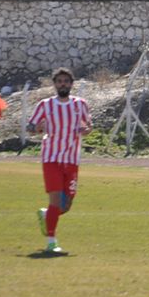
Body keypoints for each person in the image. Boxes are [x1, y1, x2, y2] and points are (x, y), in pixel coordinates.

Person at [29, 68, 92, 254]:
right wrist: (37, 128)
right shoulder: (45, 105)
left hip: (72, 159)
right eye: (59, 81)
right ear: (55, 84)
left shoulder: (81, 104)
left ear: (71, 84)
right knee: (55, 200)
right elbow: (31, 125)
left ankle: (46, 215)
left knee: (66, 205)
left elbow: (88, 126)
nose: (63, 84)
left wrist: (86, 130)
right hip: (51, 158)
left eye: (66, 81)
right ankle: (51, 241)